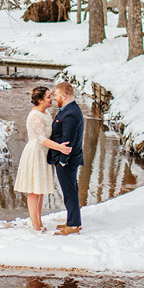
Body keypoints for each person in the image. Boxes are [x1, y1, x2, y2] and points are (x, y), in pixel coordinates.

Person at [14, 86, 71, 232]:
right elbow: (41, 139)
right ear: (40, 100)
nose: (52, 99)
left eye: (51, 96)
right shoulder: (35, 116)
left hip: (44, 153)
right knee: (34, 190)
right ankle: (34, 223)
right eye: (48, 97)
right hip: (35, 153)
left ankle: (39, 220)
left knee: (39, 189)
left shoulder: (45, 112)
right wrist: (60, 148)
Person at [46, 81, 84, 235]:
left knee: (69, 192)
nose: (54, 98)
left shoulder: (71, 114)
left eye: (56, 95)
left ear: (63, 95)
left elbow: (68, 141)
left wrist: (62, 161)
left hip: (67, 161)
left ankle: (73, 225)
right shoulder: (69, 109)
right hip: (68, 159)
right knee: (70, 190)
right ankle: (72, 220)